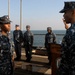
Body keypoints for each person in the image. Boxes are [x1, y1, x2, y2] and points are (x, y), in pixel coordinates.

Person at [58, 1, 75, 75]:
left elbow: (66, 60)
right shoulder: (71, 30)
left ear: (72, 12)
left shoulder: (72, 32)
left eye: (65, 12)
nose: (64, 16)